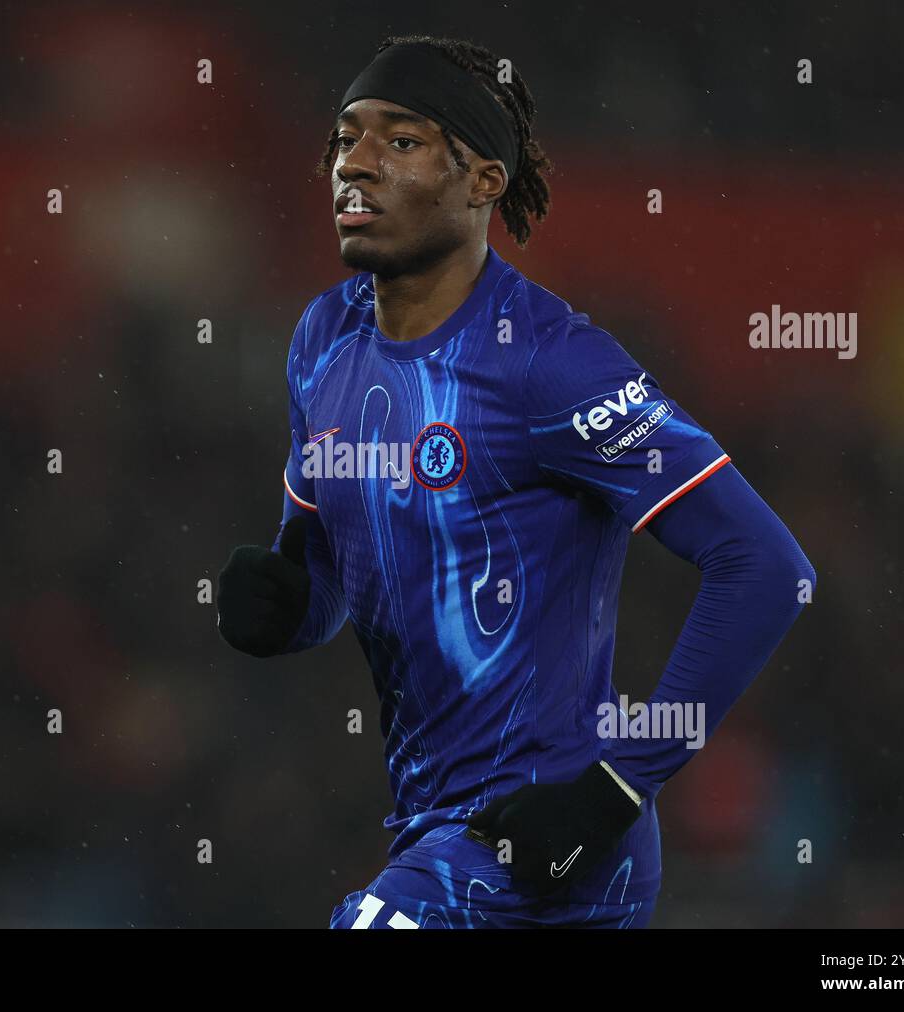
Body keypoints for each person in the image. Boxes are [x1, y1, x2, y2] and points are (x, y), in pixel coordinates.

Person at [216, 34, 815, 929]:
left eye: (402, 141)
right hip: (437, 834)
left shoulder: (551, 363)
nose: (357, 164)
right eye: (346, 138)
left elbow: (766, 566)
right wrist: (285, 607)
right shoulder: (322, 340)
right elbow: (332, 575)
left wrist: (615, 787)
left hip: (550, 844)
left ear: (484, 181)